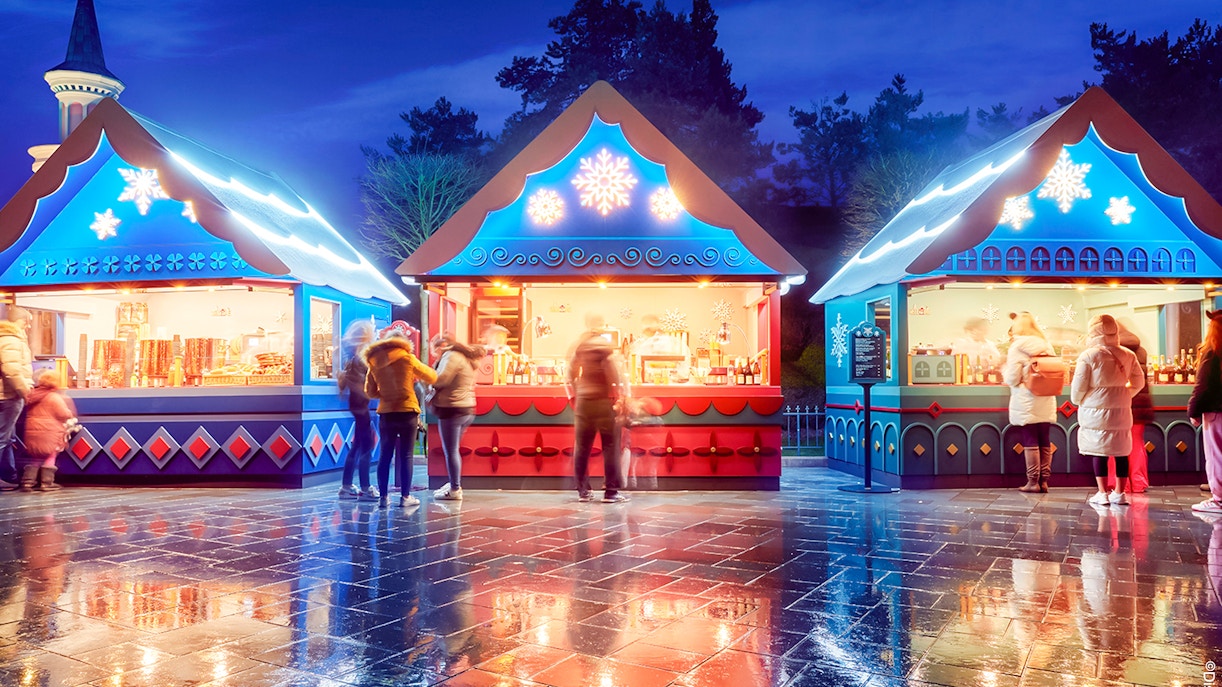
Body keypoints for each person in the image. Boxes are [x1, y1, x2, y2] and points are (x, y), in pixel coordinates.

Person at [1071, 314, 1143, 507]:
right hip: (1120, 410)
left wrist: (1079, 400)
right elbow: (1139, 381)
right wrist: (1125, 394)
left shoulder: (1088, 355)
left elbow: (1078, 388)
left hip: (1095, 411)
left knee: (1099, 450)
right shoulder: (1128, 354)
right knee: (1121, 451)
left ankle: (1102, 493)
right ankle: (1119, 493)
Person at [364, 328, 437, 509]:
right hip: (407, 411)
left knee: (385, 455)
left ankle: (383, 498)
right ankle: (405, 497)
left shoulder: (374, 361)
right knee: (406, 455)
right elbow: (432, 376)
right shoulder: (407, 358)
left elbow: (370, 391)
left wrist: (387, 392)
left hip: (386, 413)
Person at [566, 313, 627, 503]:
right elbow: (613, 373)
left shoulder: (579, 345)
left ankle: (583, 491)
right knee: (610, 446)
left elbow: (570, 373)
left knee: (582, 447)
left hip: (584, 402)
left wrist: (578, 393)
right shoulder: (605, 346)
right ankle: (611, 492)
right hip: (602, 401)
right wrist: (618, 396)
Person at [1004, 311, 1058, 492]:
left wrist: (1004, 370)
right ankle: (1044, 481)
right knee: (1044, 439)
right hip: (1047, 397)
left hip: (1027, 398)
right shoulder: (1046, 345)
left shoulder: (1017, 347)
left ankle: (1032, 482)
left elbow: (1012, 378)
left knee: (1030, 439)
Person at [429, 332, 485, 501]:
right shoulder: (463, 356)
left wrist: (426, 376)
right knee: (453, 450)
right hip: (466, 408)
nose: (434, 355)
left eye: (434, 351)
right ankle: (454, 484)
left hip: (452, 409)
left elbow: (440, 380)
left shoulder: (451, 356)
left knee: (451, 451)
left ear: (441, 347)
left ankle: (455, 488)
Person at [337, 321, 377, 502]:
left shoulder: (351, 355)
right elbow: (366, 381)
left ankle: (346, 486)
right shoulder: (361, 356)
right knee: (366, 446)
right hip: (361, 404)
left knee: (358, 444)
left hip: (355, 403)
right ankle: (365, 487)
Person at [20, 369, 77, 492]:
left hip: (32, 433)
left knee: (35, 457)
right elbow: (63, 414)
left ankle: (27, 482)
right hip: (49, 432)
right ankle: (47, 483)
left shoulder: (32, 395)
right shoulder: (53, 397)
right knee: (51, 455)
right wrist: (70, 413)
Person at [1189, 310, 1222, 514]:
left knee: (1216, 455)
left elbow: (1201, 386)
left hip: (1215, 410)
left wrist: (1193, 410)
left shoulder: (1212, 352)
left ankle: (1218, 499)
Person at [1116, 320, 1154, 493]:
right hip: (1140, 404)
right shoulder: (1142, 351)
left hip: (1121, 403)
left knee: (1115, 445)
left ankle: (1117, 484)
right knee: (1137, 443)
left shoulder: (1115, 352)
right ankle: (1139, 483)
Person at [0, 307, 33, 486]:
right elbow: (11, 371)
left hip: (5, 395)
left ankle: (8, 476)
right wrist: (24, 391)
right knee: (2, 438)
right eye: (29, 322)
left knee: (8, 437)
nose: (29, 327)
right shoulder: (11, 340)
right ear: (23, 321)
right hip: (9, 395)